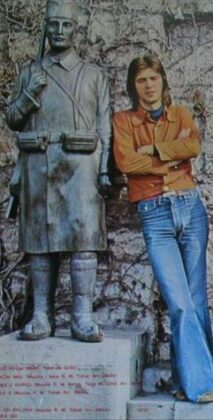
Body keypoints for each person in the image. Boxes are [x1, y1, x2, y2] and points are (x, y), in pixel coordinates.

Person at [113, 55, 213, 404]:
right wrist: (171, 160)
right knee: (179, 302)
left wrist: (154, 150)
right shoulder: (124, 121)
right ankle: (202, 385)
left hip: (191, 209)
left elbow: (193, 146)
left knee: (196, 300)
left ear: (162, 81)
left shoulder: (181, 114)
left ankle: (185, 379)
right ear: (133, 86)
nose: (148, 85)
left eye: (153, 78)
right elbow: (127, 162)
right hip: (155, 214)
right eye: (141, 80)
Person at [6, 0, 110, 343]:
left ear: (76, 30)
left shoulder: (93, 75)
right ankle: (41, 315)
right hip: (38, 165)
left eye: (67, 25)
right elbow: (13, 119)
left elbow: (104, 126)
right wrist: (29, 94)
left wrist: (105, 169)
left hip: (81, 166)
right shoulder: (30, 73)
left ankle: (82, 317)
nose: (60, 31)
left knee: (84, 241)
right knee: (40, 242)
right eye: (53, 25)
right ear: (46, 28)